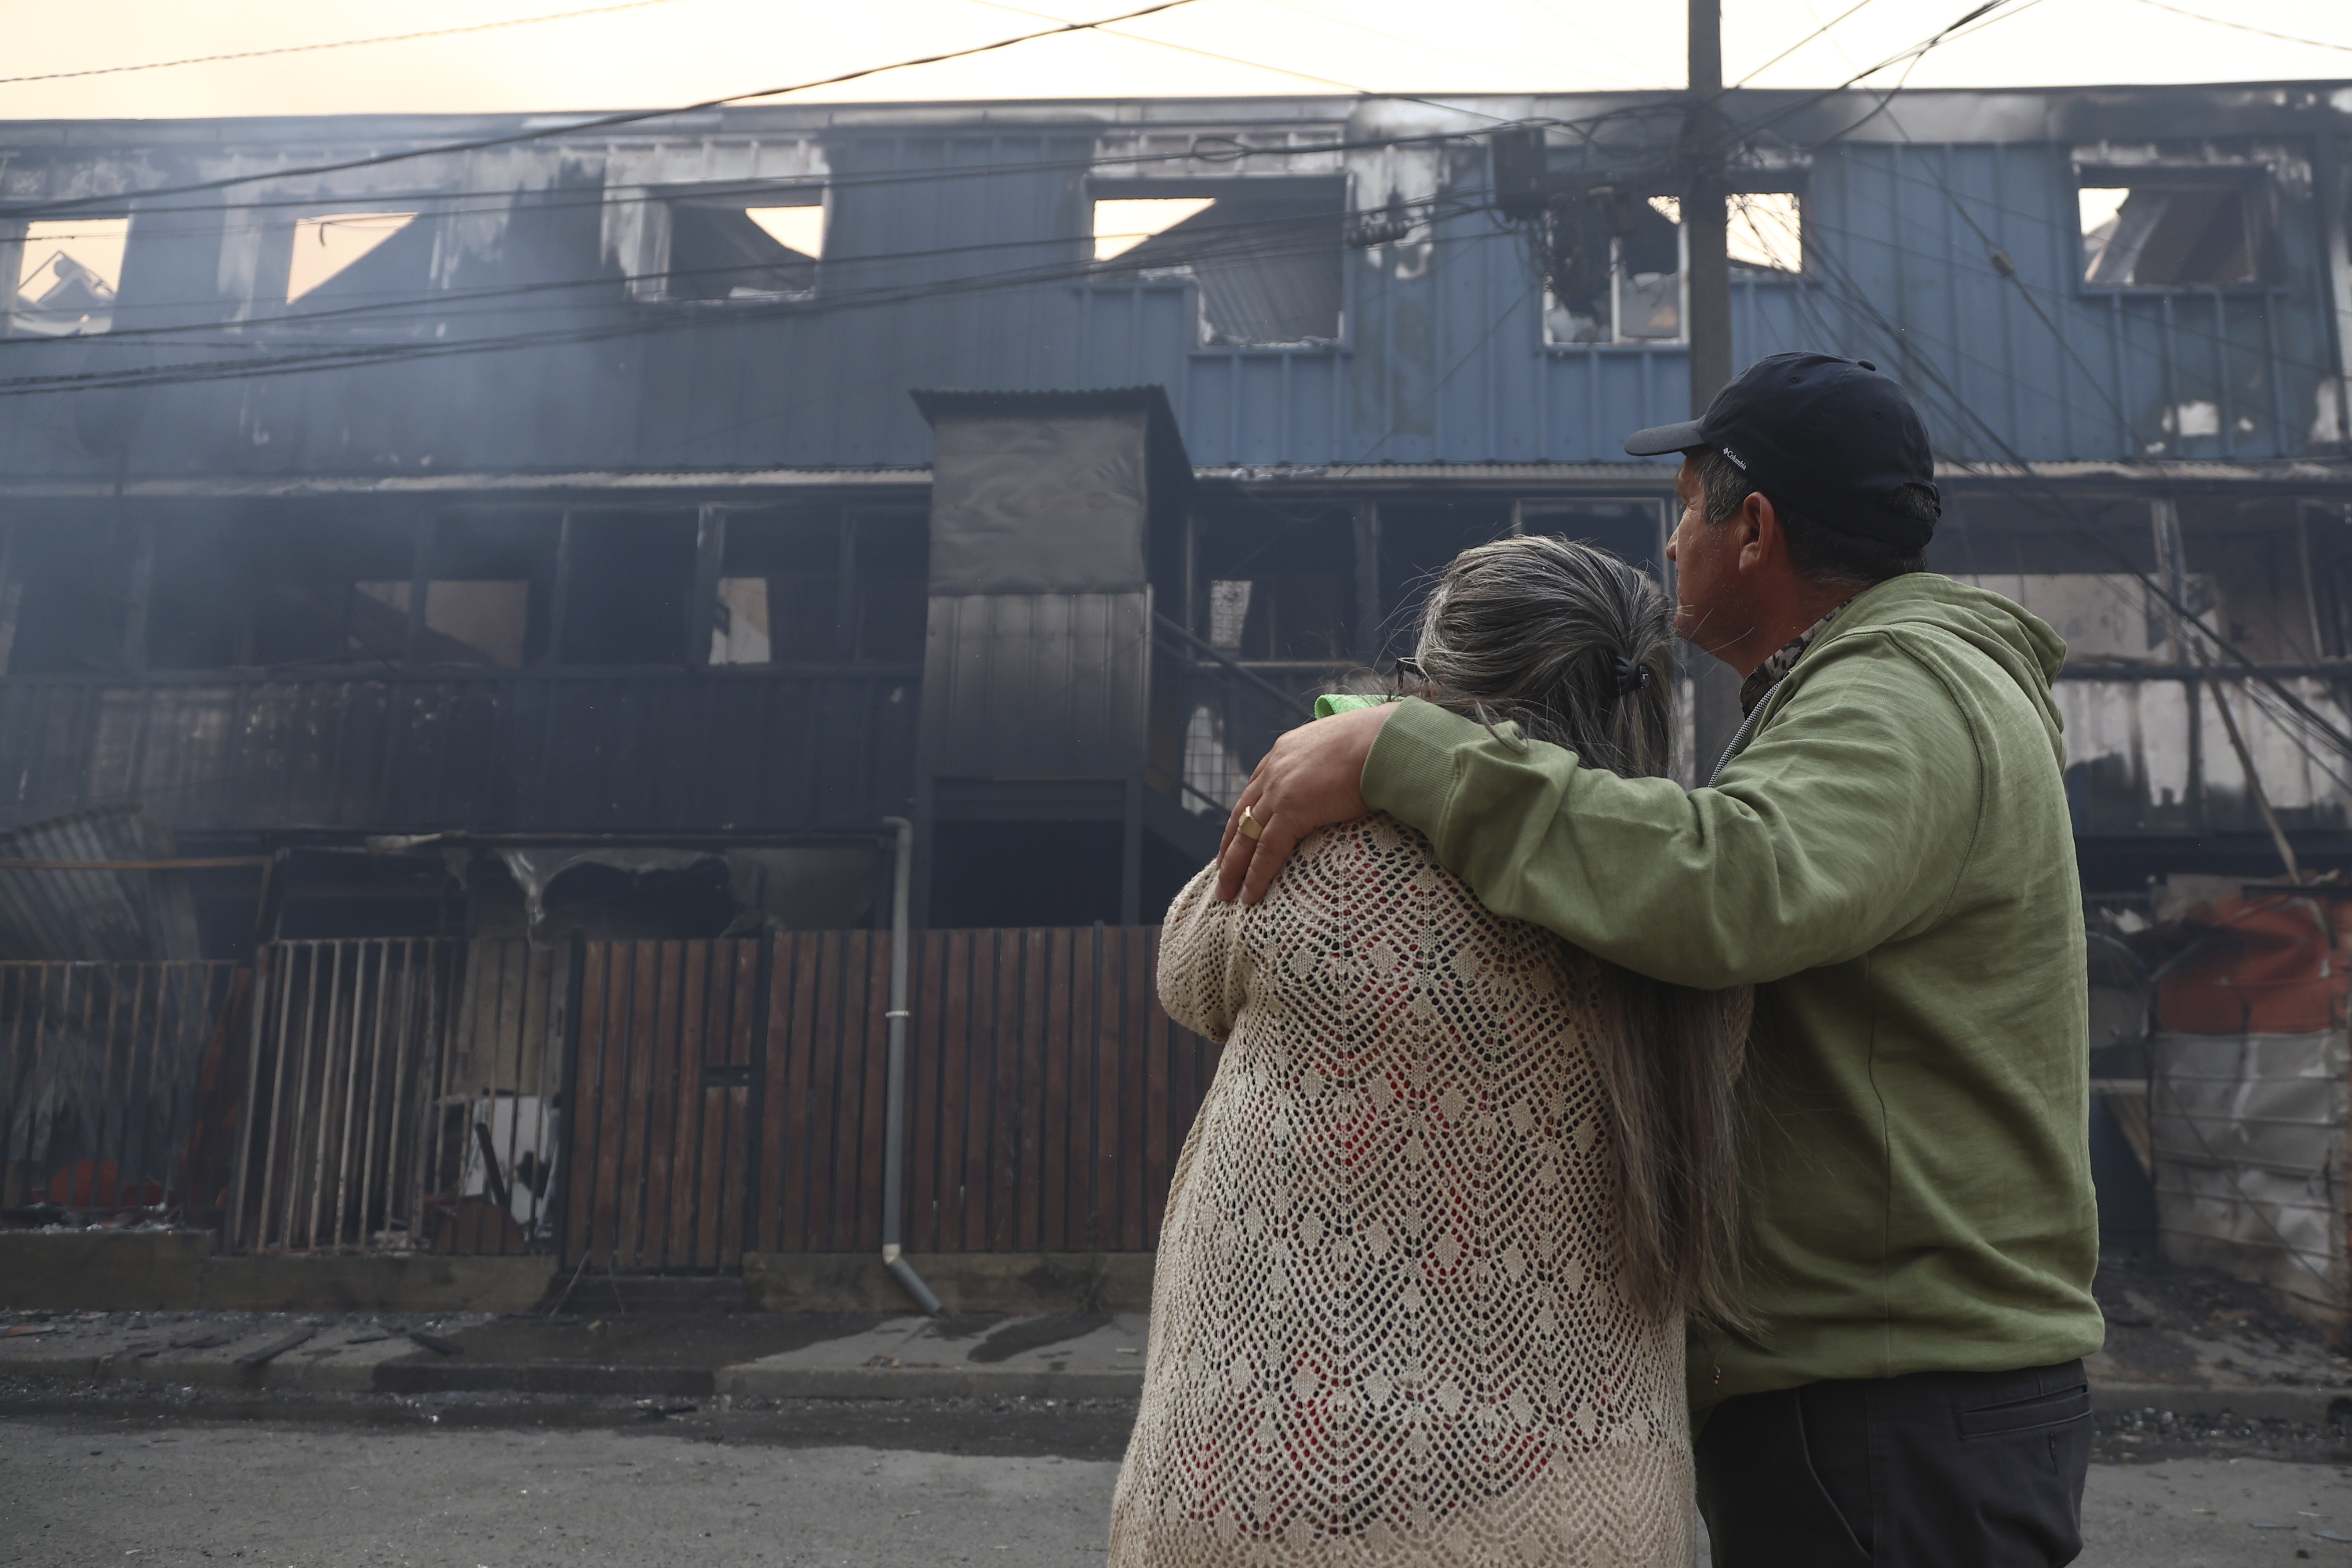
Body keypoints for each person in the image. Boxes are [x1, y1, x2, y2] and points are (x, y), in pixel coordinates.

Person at [1211, 352, 2103, 1568]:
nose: (1669, 540)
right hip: (1877, 1391)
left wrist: (1402, 759)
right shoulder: (1871, 692)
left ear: (1753, 529)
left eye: (1683, 506)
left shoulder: (1900, 693)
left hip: (1890, 1404)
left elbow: (1727, 884)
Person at [1109, 535, 1751, 1567]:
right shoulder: (1693, 917)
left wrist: (1344, 748)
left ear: (1429, 690)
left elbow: (1188, 967)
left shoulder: (1327, 862)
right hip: (1594, 1517)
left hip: (1272, 1494)